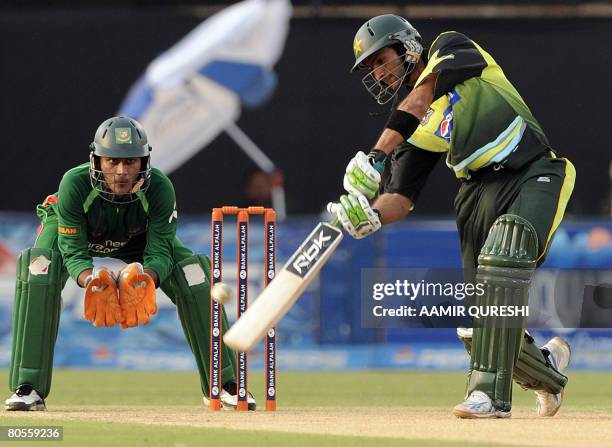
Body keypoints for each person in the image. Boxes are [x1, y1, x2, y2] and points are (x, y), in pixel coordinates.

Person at [327, 14, 575, 418]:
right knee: (481, 325)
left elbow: (422, 96)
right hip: (477, 194)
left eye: (380, 58)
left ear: (406, 46)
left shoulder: (450, 47)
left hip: (533, 171)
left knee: (506, 253)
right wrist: (368, 215)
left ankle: (489, 397)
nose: (378, 72)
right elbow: (399, 199)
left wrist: (376, 154)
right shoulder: (413, 130)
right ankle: (548, 374)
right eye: (370, 68)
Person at [4, 116, 254, 411]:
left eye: (131, 162)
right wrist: (91, 279)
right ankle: (28, 388)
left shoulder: (160, 188)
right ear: (96, 160)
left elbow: (160, 251)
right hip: (75, 231)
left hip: (138, 238)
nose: (122, 172)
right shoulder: (74, 183)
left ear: (144, 161)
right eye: (112, 162)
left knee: (194, 273)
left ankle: (225, 384)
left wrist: (146, 278)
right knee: (39, 269)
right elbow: (72, 251)